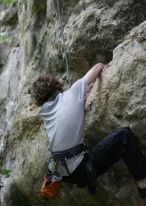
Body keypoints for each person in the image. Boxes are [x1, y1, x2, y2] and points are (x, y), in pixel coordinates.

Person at [31, 63, 146, 198]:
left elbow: (66, 118)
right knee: (124, 136)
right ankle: (143, 183)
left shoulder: (45, 112)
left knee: (82, 160)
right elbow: (98, 67)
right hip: (81, 168)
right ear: (55, 85)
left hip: (61, 173)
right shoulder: (73, 92)